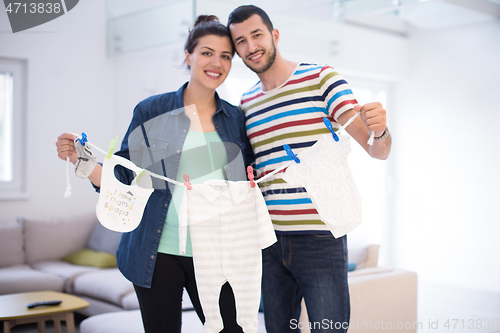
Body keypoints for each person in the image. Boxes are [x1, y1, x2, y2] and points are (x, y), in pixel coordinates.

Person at [55, 15, 253, 333]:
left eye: (226, 56)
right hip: (157, 253)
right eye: (207, 52)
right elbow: (125, 177)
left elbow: (247, 185)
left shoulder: (236, 119)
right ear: (188, 55)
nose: (216, 62)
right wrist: (84, 163)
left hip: (217, 254)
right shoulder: (152, 111)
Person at [227, 5, 391, 333]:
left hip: (320, 237)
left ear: (274, 35)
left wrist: (381, 130)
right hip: (269, 240)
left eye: (257, 34)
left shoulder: (320, 78)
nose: (251, 46)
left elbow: (377, 151)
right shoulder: (247, 103)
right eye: (241, 41)